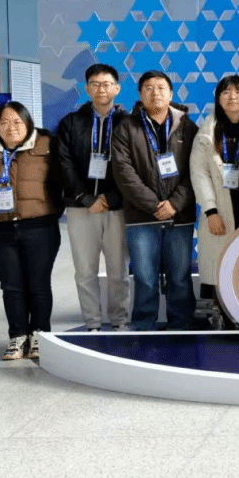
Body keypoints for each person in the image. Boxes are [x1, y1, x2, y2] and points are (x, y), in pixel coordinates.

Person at [0, 102, 63, 360]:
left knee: (38, 284)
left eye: (17, 122)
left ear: (28, 123)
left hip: (40, 227)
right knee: (11, 286)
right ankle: (17, 336)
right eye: (4, 122)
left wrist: (49, 209)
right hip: (0, 230)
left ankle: (39, 335)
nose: (11, 128)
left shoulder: (46, 146)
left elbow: (60, 180)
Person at [111, 70, 199, 330]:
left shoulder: (188, 127)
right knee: (144, 277)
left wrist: (174, 204)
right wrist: (153, 205)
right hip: (141, 217)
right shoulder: (126, 128)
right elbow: (123, 171)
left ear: (171, 93)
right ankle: (143, 327)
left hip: (179, 216)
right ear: (140, 94)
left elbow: (196, 170)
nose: (155, 93)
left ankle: (182, 325)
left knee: (180, 276)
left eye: (161, 88)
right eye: (148, 88)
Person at [56, 63, 131, 332]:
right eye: (95, 84)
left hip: (117, 208)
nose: (101, 89)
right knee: (85, 270)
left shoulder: (129, 123)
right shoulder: (71, 122)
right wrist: (86, 197)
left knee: (118, 270)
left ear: (117, 88)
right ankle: (93, 323)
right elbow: (64, 163)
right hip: (81, 208)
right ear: (87, 89)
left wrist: (110, 198)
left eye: (107, 84)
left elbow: (133, 166)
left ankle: (119, 320)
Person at [190, 75, 239, 312]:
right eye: (226, 92)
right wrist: (210, 211)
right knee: (220, 269)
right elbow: (199, 173)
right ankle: (224, 320)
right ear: (218, 99)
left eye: (238, 91)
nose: (232, 97)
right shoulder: (207, 133)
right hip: (220, 209)